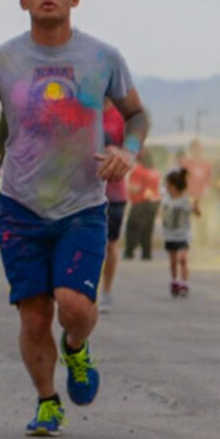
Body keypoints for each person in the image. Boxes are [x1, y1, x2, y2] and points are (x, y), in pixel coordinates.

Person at [0, 0, 147, 436]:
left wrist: (129, 150)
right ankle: (47, 401)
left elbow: (137, 115)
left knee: (74, 307)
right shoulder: (1, 61)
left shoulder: (103, 58)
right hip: (20, 204)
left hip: (82, 205)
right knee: (34, 314)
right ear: (23, 0)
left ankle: (77, 348)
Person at [98, 105, 130, 311]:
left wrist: (118, 153)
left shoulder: (121, 118)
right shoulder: (84, 111)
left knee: (110, 245)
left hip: (115, 193)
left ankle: (106, 291)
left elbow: (133, 152)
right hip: (84, 191)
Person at [161, 168, 196, 296]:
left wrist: (196, 208)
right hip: (169, 234)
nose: (167, 188)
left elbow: (196, 212)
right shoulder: (166, 198)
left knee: (183, 259)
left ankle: (184, 283)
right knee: (173, 260)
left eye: (168, 185)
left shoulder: (185, 200)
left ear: (174, 186)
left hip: (183, 233)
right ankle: (174, 280)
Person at [124, 151, 161, 259]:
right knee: (147, 229)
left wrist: (125, 188)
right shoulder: (154, 171)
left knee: (132, 227)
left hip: (140, 202)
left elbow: (135, 188)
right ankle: (147, 253)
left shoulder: (139, 170)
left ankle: (129, 252)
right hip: (153, 202)